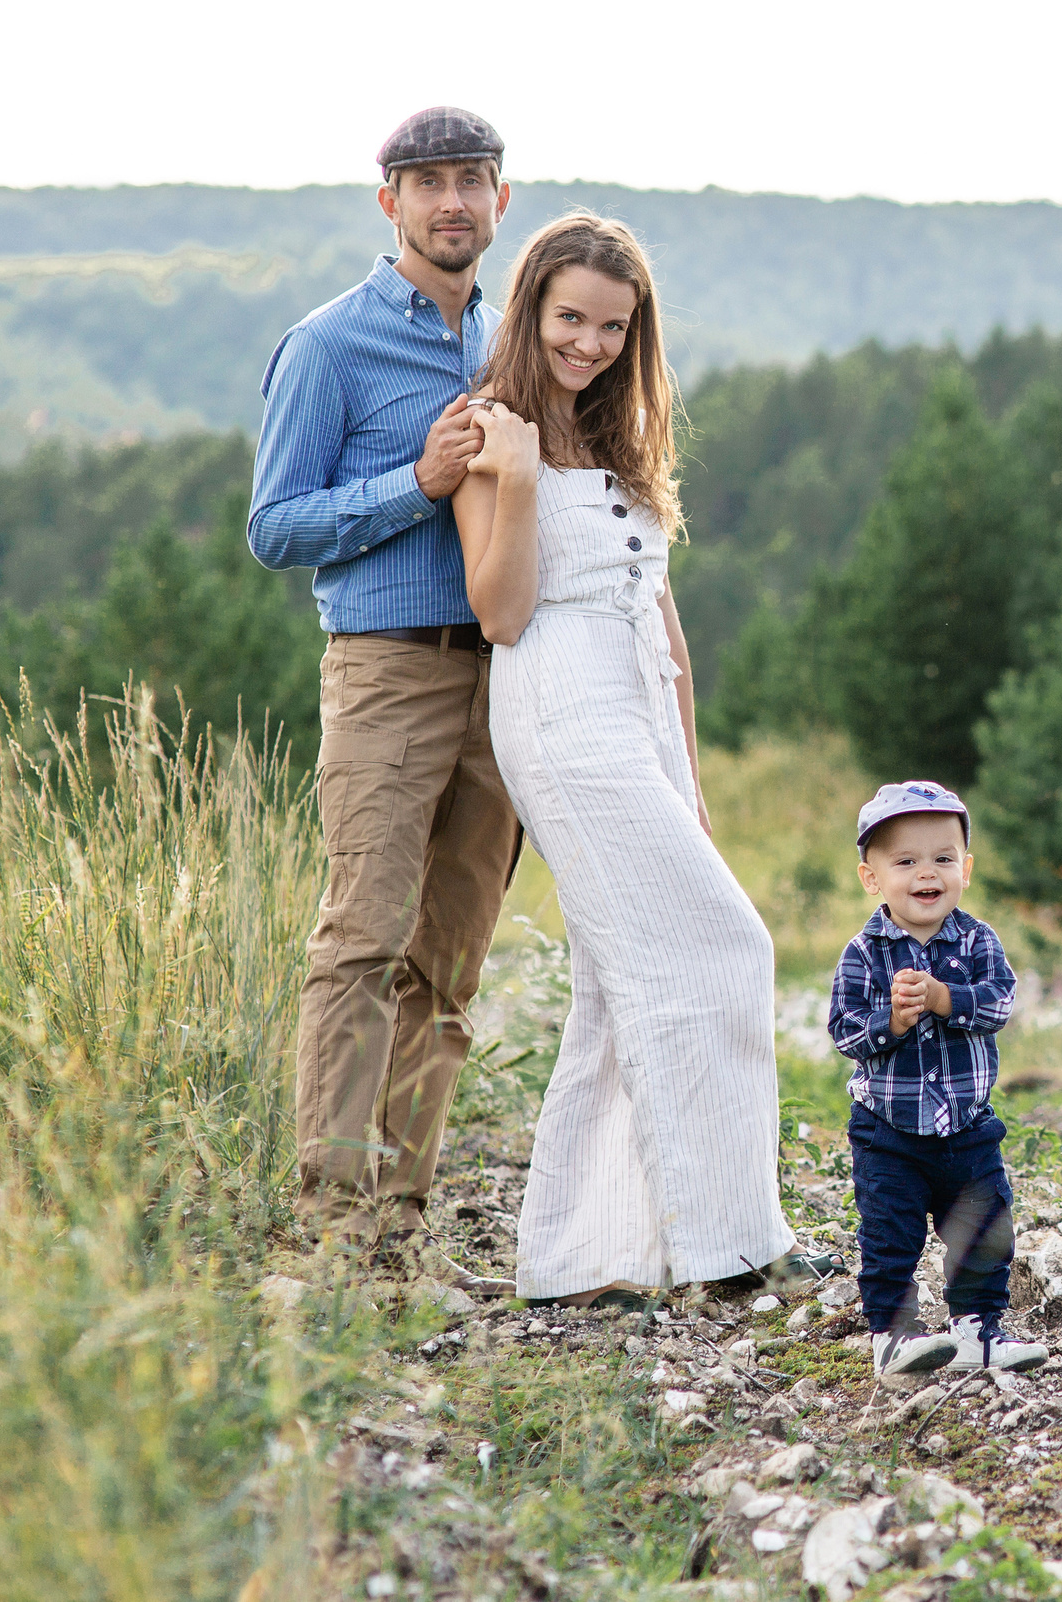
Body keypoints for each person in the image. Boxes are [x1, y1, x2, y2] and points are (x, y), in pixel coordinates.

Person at [451, 211, 813, 1305]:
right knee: (722, 949)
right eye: (571, 319)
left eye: (614, 326)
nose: (591, 344)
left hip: (639, 708)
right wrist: (513, 480)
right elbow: (500, 615)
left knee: (624, 982)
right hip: (561, 709)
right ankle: (730, 1247)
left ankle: (586, 1256)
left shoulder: (621, 434)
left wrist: (690, 780)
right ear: (531, 311)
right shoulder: (485, 430)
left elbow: (665, 625)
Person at [248, 107, 520, 1281]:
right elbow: (274, 528)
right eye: (428, 183)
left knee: (448, 958)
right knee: (362, 938)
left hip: (506, 681)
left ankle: (399, 1215)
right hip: (387, 670)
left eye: (472, 180)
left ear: (501, 202)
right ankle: (330, 1212)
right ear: (390, 205)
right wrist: (415, 482)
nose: (452, 201)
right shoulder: (329, 347)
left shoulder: (516, 343)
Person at [827, 782, 1048, 1375]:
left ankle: (977, 1329)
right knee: (890, 1234)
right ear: (871, 877)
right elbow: (844, 1032)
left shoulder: (978, 941)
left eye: (943, 859)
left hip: (967, 1124)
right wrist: (892, 1021)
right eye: (906, 861)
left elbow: (1001, 1004)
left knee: (983, 1226)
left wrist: (948, 999)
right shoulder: (864, 953)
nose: (927, 873)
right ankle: (894, 1337)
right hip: (887, 1130)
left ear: (966, 869)